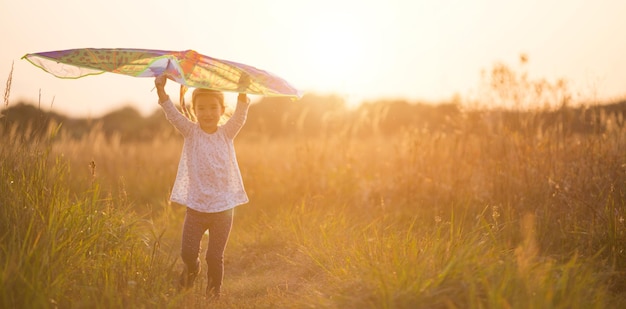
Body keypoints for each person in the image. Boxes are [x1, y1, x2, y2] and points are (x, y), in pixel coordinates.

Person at [154, 74, 251, 298]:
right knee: (187, 253)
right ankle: (192, 269)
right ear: (194, 111)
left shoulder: (227, 133)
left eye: (212, 108)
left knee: (214, 256)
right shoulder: (191, 132)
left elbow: (240, 116)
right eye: (202, 109)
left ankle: (213, 293)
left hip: (223, 209)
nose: (207, 113)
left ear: (221, 109)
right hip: (196, 207)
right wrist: (161, 91)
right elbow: (172, 114)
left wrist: (243, 90)